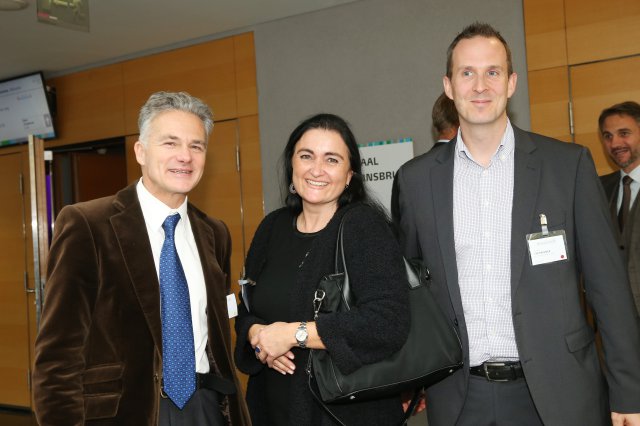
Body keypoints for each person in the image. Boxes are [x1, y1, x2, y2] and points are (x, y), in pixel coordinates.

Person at [393, 22, 640, 426]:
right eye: (467, 73)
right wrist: (407, 378)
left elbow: (608, 288)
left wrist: (630, 393)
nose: (480, 85)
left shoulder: (567, 166)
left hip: (559, 394)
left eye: (492, 72)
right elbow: (410, 293)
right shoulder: (416, 181)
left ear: (511, 83)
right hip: (459, 397)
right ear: (449, 86)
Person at [33, 91, 250, 425]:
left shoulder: (215, 233)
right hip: (125, 412)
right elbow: (57, 356)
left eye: (196, 146)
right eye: (170, 143)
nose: (185, 156)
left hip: (206, 407)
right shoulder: (88, 225)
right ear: (141, 151)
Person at [234, 113, 411, 425]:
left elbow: (388, 322)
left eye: (331, 159)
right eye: (306, 156)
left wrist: (293, 334)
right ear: (292, 164)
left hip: (345, 414)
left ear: (350, 174)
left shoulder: (364, 227)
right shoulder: (271, 227)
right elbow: (247, 306)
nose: (317, 169)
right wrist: (258, 334)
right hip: (272, 408)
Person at [599, 101, 640, 314]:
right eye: (608, 136)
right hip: (616, 317)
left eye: (624, 133)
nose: (615, 143)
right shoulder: (598, 188)